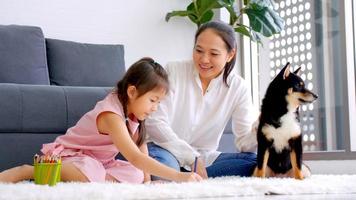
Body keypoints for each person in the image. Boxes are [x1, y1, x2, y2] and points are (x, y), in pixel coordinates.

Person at [0, 58, 202, 184]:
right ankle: (31, 170)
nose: (155, 107)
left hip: (102, 162)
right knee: (93, 169)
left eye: (158, 102)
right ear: (132, 92)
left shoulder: (135, 113)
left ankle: (91, 178)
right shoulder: (111, 115)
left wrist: (146, 180)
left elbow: (140, 144)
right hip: (72, 155)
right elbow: (135, 157)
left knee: (135, 175)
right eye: (152, 100)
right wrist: (180, 176)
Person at [145, 21, 258, 180]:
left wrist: (261, 125)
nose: (204, 60)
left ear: (230, 55)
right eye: (199, 50)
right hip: (163, 149)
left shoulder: (238, 87)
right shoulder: (174, 71)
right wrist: (191, 158)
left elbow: (244, 146)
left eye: (214, 54)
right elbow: (154, 122)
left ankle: (189, 177)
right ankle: (183, 176)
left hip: (205, 158)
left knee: (255, 162)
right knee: (167, 171)